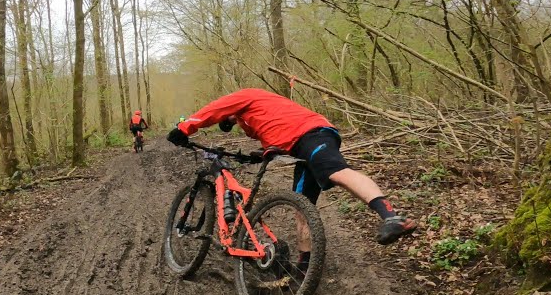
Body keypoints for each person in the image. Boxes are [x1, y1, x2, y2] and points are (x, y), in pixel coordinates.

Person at [167, 88, 418, 247]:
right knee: (302, 207)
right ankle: (303, 266)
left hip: (312, 135)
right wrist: (263, 152)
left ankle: (391, 216)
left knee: (336, 172)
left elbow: (213, 110)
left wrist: (183, 128)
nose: (230, 122)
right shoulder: (261, 112)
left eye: (228, 121)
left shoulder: (246, 96)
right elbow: (277, 128)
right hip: (299, 147)